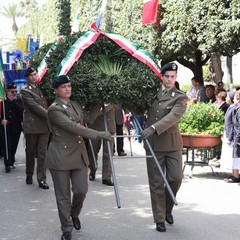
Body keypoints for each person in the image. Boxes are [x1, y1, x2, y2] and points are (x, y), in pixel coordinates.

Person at [46, 75, 111, 240]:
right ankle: (66, 229)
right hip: (60, 156)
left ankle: (74, 214)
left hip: (79, 155)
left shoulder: (75, 104)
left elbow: (88, 118)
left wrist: (98, 100)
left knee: (81, 190)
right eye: (63, 87)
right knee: (63, 196)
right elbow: (73, 127)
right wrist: (99, 134)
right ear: (55, 90)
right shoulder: (54, 109)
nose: (67, 89)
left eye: (69, 85)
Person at [141, 62, 187, 232]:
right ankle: (159, 218)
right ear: (162, 76)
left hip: (172, 144)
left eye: (172, 77)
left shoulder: (180, 97)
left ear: (176, 78)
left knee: (176, 177)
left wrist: (152, 128)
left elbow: (173, 117)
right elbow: (139, 108)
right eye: (166, 76)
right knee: (156, 182)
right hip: (154, 145)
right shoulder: (151, 93)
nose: (169, 79)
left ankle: (168, 208)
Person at [20, 66, 50, 189]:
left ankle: (41, 179)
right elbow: (35, 107)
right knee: (31, 152)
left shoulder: (41, 89)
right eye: (31, 75)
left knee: (43, 153)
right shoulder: (25, 90)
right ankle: (29, 173)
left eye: (35, 74)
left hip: (44, 126)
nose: (34, 76)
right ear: (27, 77)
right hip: (32, 126)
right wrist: (51, 115)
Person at [88, 104, 116, 186]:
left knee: (108, 153)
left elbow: (108, 106)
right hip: (94, 125)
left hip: (108, 125)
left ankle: (106, 177)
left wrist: (91, 114)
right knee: (93, 150)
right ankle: (92, 170)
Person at [0, 83, 23, 172]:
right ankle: (7, 164)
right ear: (6, 92)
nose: (14, 93)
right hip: (5, 128)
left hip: (16, 127)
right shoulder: (2, 101)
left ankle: (11, 161)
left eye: (16, 91)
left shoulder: (18, 100)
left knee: (13, 146)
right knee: (6, 146)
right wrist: (1, 121)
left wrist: (13, 101)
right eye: (12, 92)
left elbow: (22, 111)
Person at [219, 90, 236, 172]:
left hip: (231, 135)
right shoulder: (230, 107)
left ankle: (234, 173)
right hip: (227, 133)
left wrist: (229, 137)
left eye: (228, 96)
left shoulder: (234, 109)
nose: (226, 98)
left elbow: (233, 124)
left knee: (231, 155)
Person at [225, 90, 240, 183]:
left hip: (237, 137)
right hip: (236, 136)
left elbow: (238, 126)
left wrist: (238, 139)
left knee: (237, 157)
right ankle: (235, 175)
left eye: (234, 97)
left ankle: (236, 176)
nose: (233, 99)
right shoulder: (236, 109)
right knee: (236, 156)